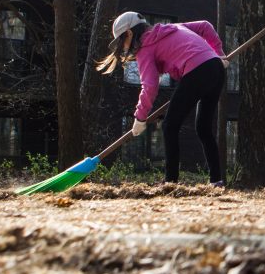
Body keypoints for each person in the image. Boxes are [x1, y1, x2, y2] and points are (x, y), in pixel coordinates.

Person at [97, 11, 229, 186]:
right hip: (216, 68)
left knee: (169, 126)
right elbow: (205, 25)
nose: (123, 48)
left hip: (197, 71)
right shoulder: (172, 28)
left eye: (122, 42)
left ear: (129, 33)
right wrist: (218, 54)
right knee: (203, 128)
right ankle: (216, 182)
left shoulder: (145, 48)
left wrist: (140, 117)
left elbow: (150, 86)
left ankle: (170, 182)